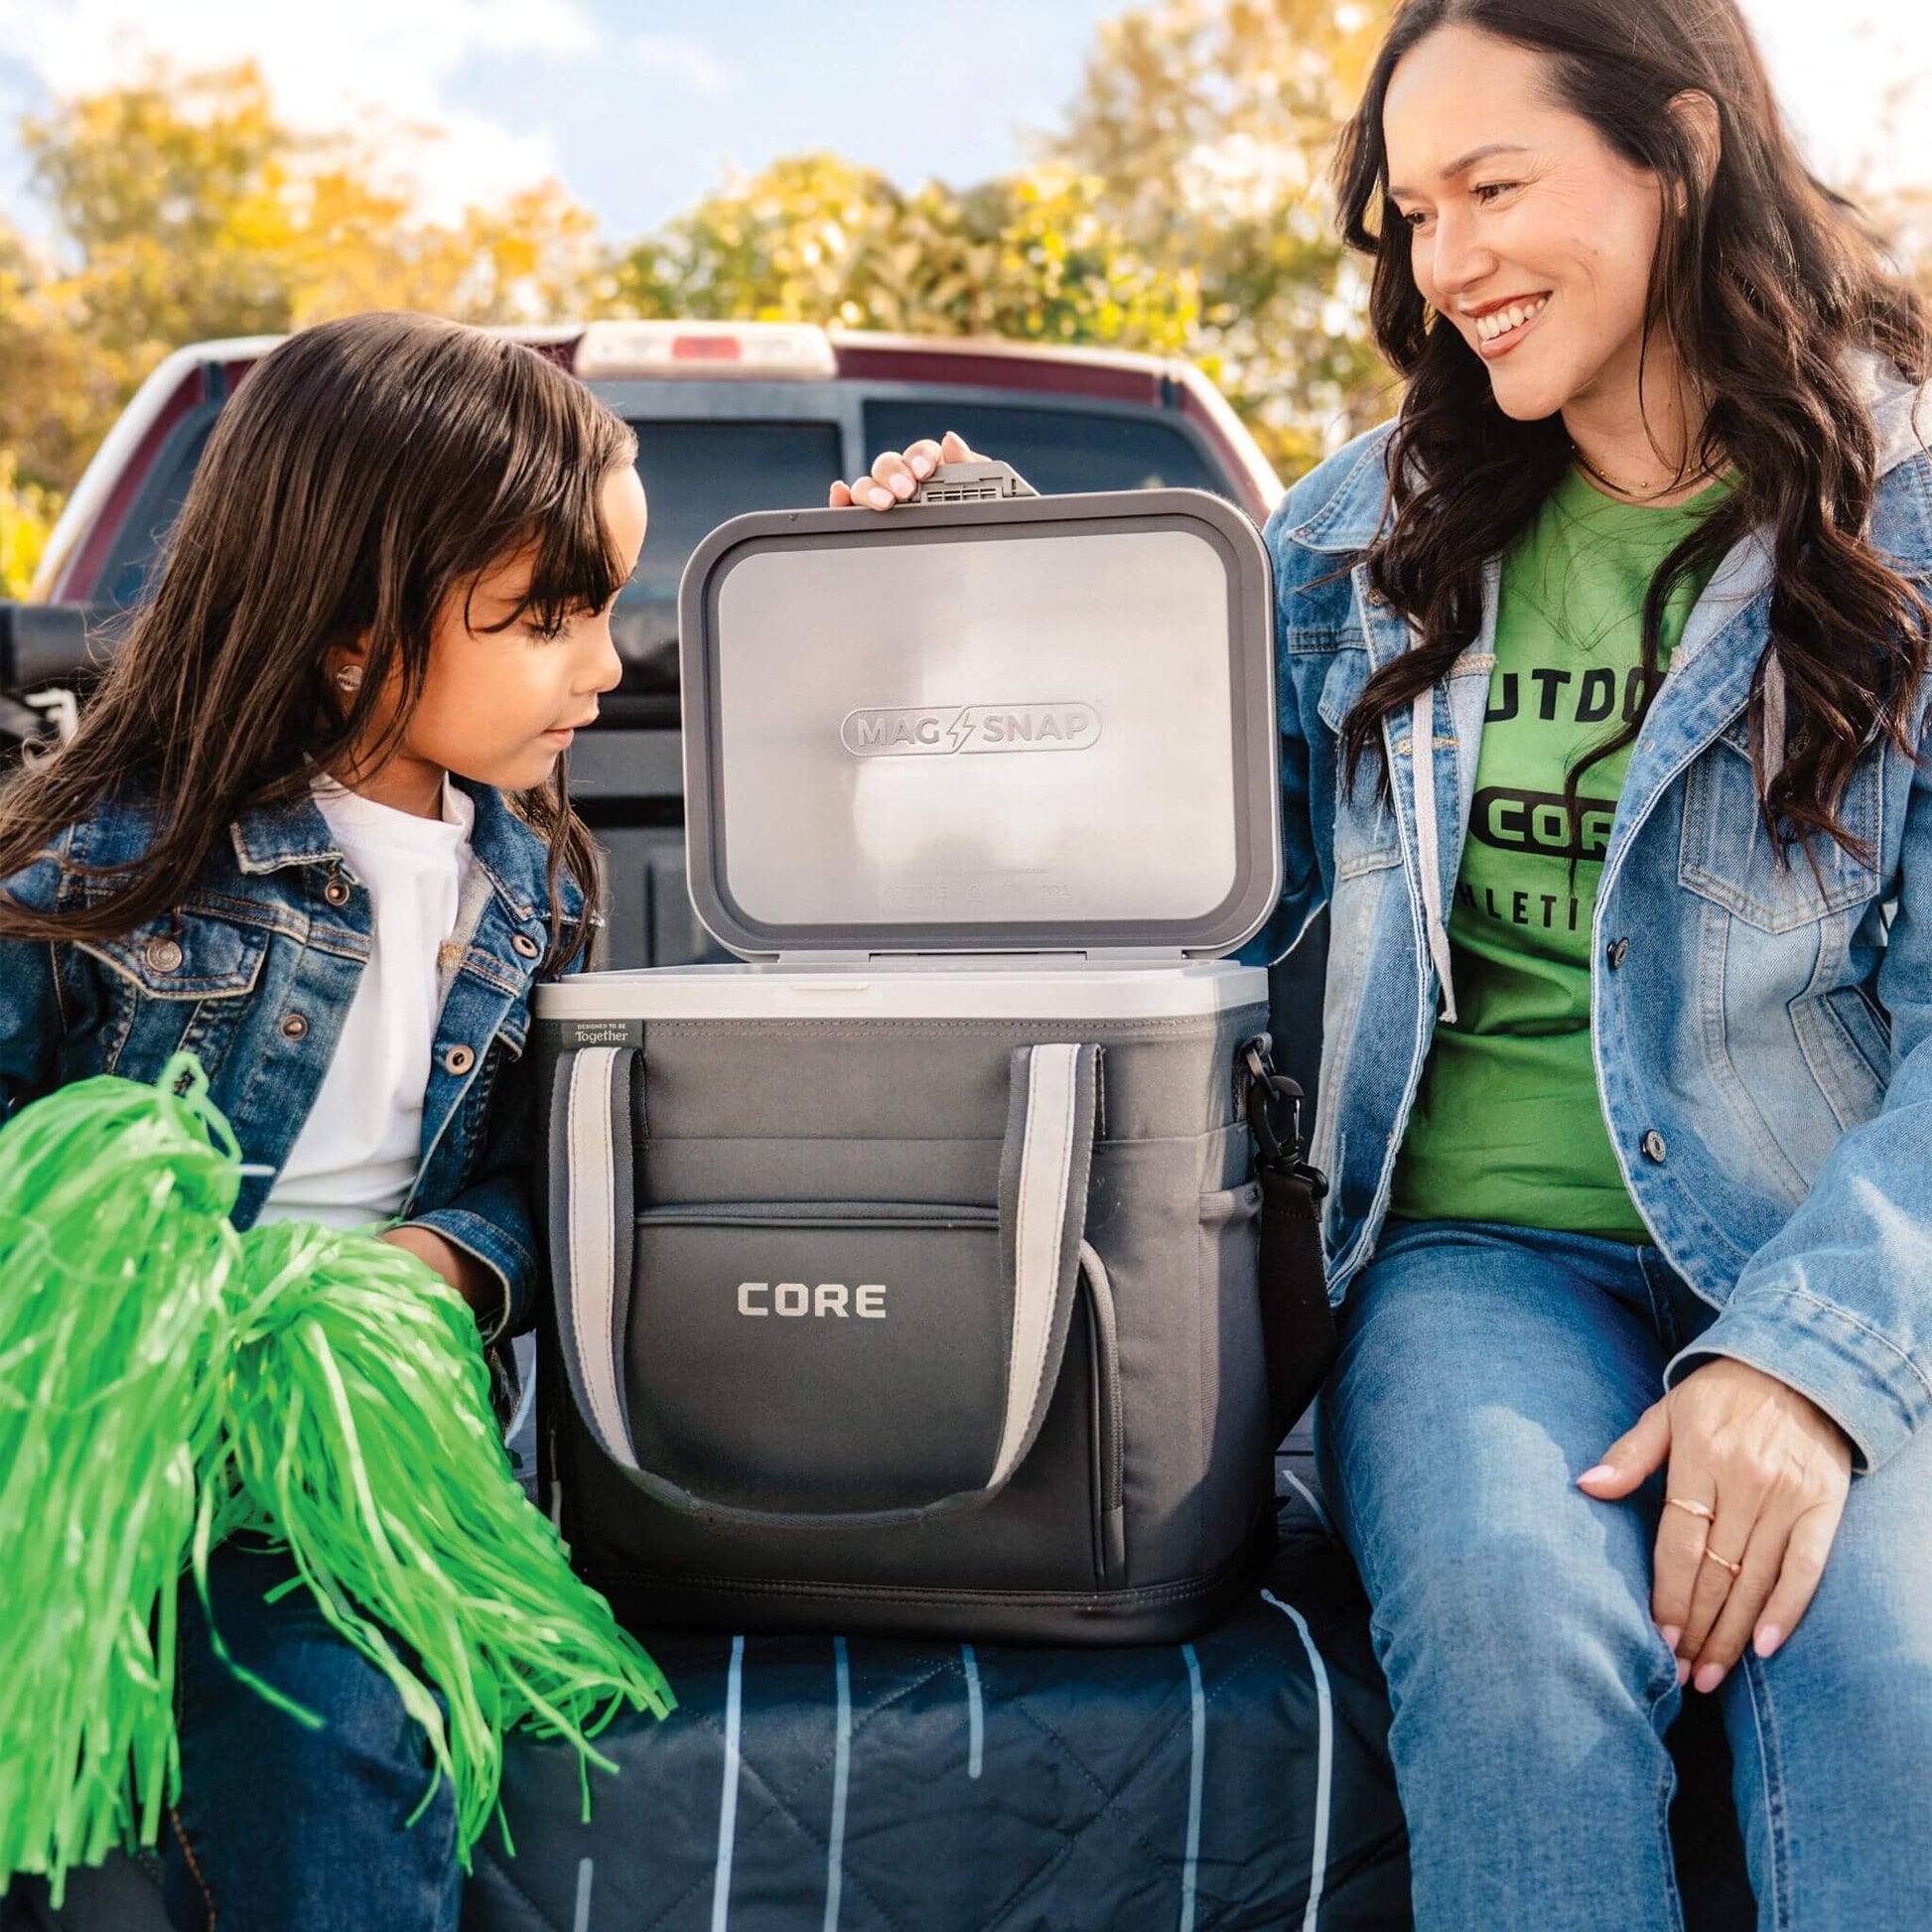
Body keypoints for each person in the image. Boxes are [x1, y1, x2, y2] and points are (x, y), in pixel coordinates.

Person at [840, 0, 1932, 1922]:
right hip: (1467, 1262)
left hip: (1823, 1238)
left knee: (1875, 1674)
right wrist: (989, 579)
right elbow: (1176, 853)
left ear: (1680, 150)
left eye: (1491, 189)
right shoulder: (1357, 531)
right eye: (1416, 214)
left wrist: (1806, 1369)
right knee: (1513, 1633)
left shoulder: (1904, 508)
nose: (1448, 263)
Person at [0, 311, 642, 1931]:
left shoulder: (533, 885)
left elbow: (541, 1170)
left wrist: (450, 1263)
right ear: (354, 631)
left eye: (602, 610)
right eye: (548, 620)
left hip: (348, 1457)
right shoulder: (108, 864)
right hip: (106, 1430)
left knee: (331, 1722)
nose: (605, 667)